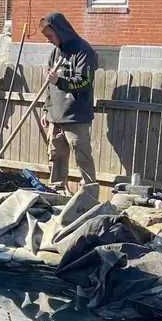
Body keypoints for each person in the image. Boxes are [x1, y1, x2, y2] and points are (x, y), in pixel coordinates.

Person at [38, 12, 99, 195]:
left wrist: (60, 81)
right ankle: (57, 192)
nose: (48, 40)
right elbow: (49, 85)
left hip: (76, 116)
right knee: (56, 156)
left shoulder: (84, 51)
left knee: (82, 157)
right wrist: (46, 110)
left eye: (50, 36)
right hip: (55, 116)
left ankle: (89, 195)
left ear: (60, 31)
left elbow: (85, 83)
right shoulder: (55, 52)